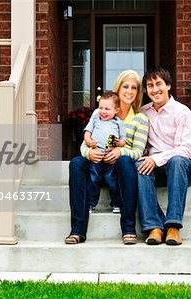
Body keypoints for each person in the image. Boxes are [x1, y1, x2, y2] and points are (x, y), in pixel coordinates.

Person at [65, 70, 149, 245]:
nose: (129, 91)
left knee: (126, 161)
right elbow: (84, 144)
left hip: (117, 171)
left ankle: (128, 229)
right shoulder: (100, 112)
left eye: (134, 87)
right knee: (76, 163)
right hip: (96, 164)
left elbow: (138, 152)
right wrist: (90, 153)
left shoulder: (141, 119)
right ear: (118, 88)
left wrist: (120, 152)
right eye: (125, 86)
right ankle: (77, 230)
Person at [137, 67, 191, 246]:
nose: (155, 89)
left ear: (168, 86)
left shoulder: (182, 112)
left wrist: (155, 159)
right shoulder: (143, 112)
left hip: (184, 168)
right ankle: (154, 226)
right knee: (138, 167)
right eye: (150, 86)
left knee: (177, 160)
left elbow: (185, 149)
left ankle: (173, 227)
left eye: (159, 84)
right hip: (157, 168)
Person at [83, 91, 126, 213]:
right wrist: (89, 141)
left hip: (110, 158)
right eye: (100, 107)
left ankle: (116, 203)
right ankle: (91, 204)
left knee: (111, 179)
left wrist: (118, 144)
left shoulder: (119, 123)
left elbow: (123, 141)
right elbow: (87, 133)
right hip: (96, 156)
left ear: (116, 110)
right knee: (93, 178)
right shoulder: (95, 120)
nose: (103, 111)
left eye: (107, 109)